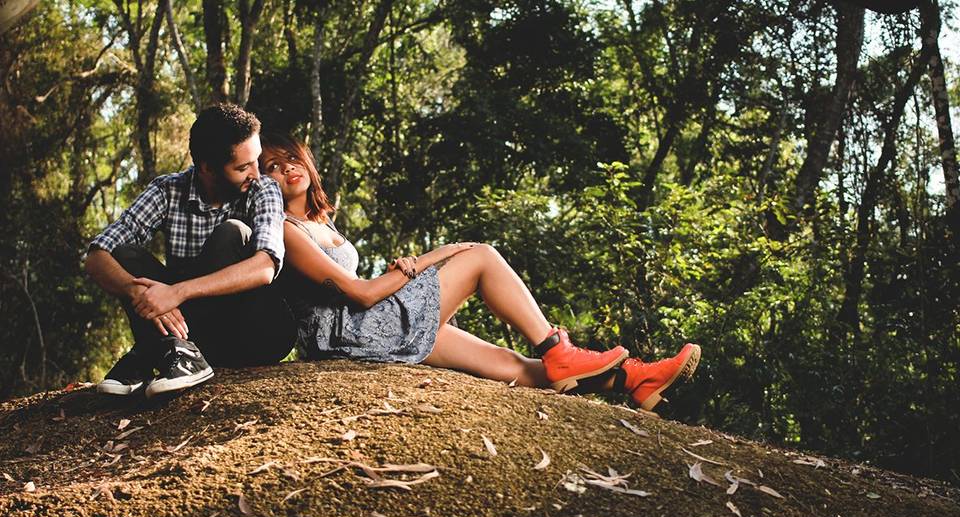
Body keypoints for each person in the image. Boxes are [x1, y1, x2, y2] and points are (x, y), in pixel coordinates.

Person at [259, 133, 700, 410]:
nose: (286, 170)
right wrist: (433, 257)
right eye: (271, 169)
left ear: (308, 164)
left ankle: (636, 379)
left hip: (372, 329)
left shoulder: (321, 223)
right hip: (350, 334)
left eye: (290, 159)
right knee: (482, 257)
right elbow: (360, 294)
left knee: (522, 369)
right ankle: (555, 345)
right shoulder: (287, 229)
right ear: (264, 186)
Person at [85, 104, 297, 398]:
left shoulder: (263, 189)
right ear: (208, 167)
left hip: (255, 330)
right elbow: (96, 256)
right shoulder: (167, 191)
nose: (257, 173)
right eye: (242, 167)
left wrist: (179, 292)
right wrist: (137, 292)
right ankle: (175, 353)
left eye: (257, 160)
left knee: (231, 233)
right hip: (193, 334)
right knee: (125, 255)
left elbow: (265, 267)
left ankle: (149, 352)